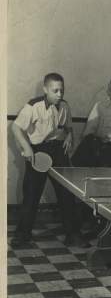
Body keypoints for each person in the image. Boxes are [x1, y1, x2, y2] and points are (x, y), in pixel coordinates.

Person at [10, 73, 88, 248]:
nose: (60, 94)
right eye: (55, 90)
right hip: (38, 150)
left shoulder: (65, 106)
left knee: (66, 192)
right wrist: (27, 148)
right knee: (31, 194)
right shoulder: (33, 106)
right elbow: (15, 127)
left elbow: (67, 127)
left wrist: (70, 135)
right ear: (45, 90)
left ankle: (73, 234)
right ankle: (23, 235)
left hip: (58, 150)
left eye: (62, 90)